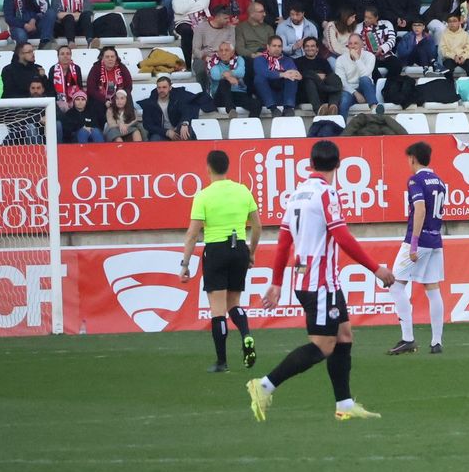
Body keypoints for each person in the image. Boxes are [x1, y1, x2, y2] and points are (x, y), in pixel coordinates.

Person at [248, 140, 394, 423]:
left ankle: (345, 404)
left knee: (344, 335)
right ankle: (265, 385)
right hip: (321, 284)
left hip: (310, 281)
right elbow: (342, 237)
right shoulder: (327, 194)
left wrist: (277, 282)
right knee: (323, 346)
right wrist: (376, 269)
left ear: (311, 164)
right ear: (338, 165)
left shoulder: (297, 194)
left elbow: (283, 242)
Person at [178, 149, 261, 373]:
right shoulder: (243, 190)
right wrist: (251, 252)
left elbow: (192, 234)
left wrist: (185, 264)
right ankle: (246, 336)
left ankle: (222, 361)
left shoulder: (203, 195)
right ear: (227, 167)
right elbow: (257, 225)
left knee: (218, 310)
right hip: (239, 249)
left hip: (216, 249)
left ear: (208, 168)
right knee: (234, 303)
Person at [384, 140, 449, 356]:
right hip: (435, 240)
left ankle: (408, 338)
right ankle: (437, 342)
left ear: (412, 158)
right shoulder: (439, 181)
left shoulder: (415, 180)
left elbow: (420, 209)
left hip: (418, 241)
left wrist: (413, 242)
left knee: (395, 284)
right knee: (432, 288)